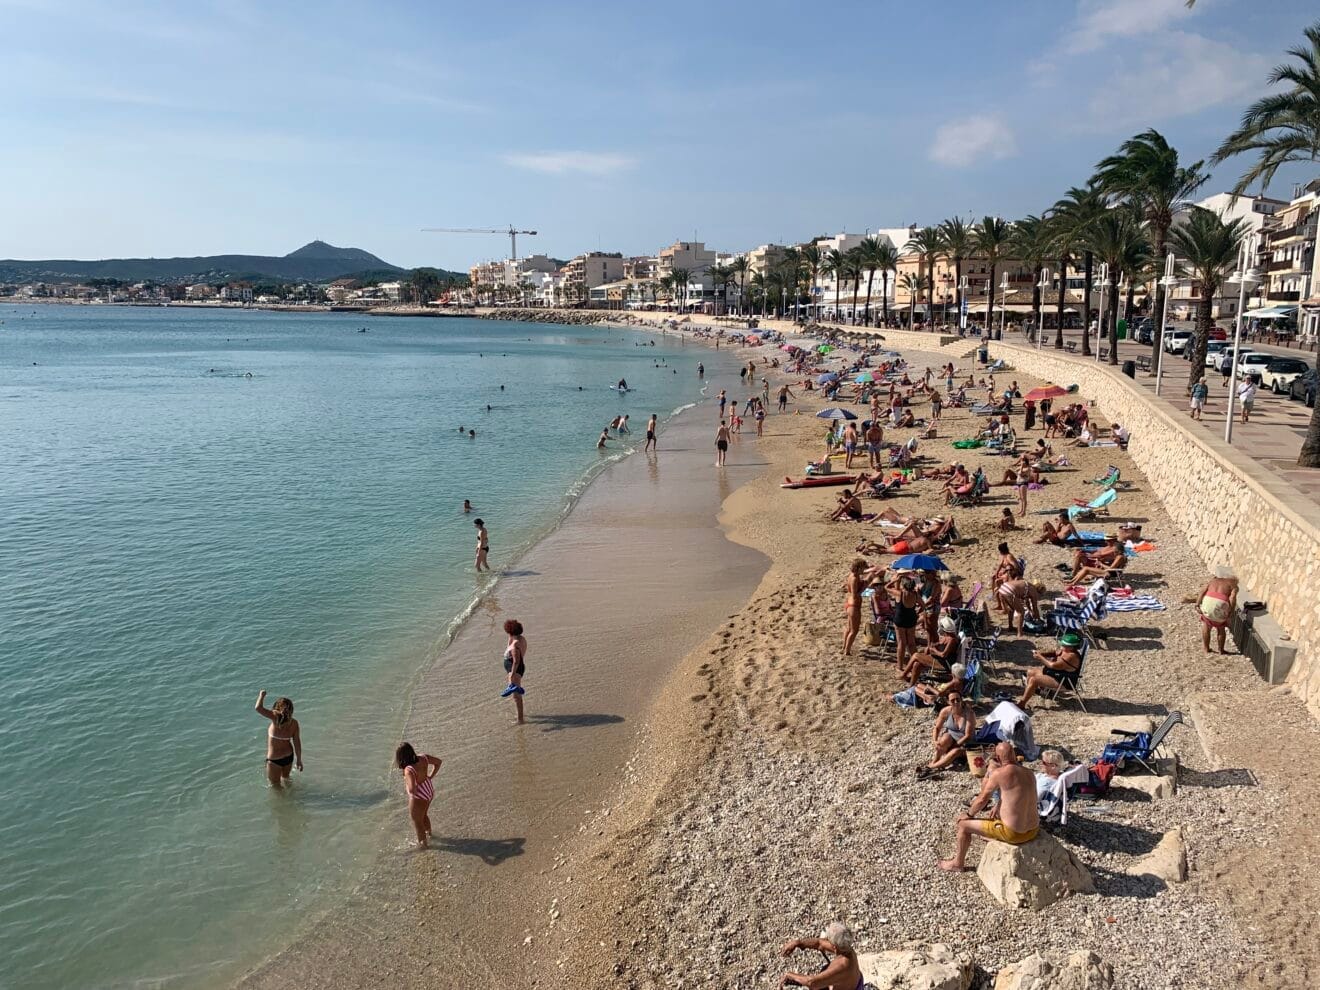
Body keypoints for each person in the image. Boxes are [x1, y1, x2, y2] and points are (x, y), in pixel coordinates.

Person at [937, 740, 1040, 871]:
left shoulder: (999, 773)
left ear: (997, 758)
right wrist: (999, 804)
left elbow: (982, 799)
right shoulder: (1029, 773)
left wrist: (968, 814)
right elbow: (1022, 797)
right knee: (994, 817)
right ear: (1014, 755)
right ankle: (994, 835)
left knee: (963, 825)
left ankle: (957, 863)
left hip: (1014, 834)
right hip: (1033, 830)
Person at [779, 923, 862, 990]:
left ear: (835, 947)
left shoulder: (842, 966)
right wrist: (798, 943)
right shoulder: (845, 948)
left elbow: (812, 983)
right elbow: (819, 943)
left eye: (828, 939)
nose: (826, 940)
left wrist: (789, 975)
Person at [918, 690, 976, 776]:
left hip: (965, 743)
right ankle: (936, 761)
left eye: (958, 699)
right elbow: (937, 728)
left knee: (955, 751)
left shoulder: (969, 713)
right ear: (948, 702)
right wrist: (935, 741)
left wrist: (954, 746)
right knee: (945, 739)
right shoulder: (946, 711)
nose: (956, 702)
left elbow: (968, 735)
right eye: (952, 700)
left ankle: (930, 767)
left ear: (961, 700)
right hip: (951, 740)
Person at [1017, 632, 1084, 707]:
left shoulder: (1071, 657)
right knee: (1030, 672)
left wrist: (1040, 657)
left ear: (1071, 647)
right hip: (1057, 675)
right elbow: (1055, 652)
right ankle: (1035, 692)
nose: (1061, 645)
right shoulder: (1066, 650)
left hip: (1064, 681)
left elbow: (1052, 665)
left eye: (1064, 645)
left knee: (1034, 680)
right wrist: (1042, 653)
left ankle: (1022, 703)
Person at [395, 742, 442, 848]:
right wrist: (430, 776)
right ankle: (430, 835)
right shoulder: (423, 757)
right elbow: (439, 762)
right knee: (424, 815)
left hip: (419, 796)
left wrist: (407, 788)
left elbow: (412, 790)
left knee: (417, 822)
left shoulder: (408, 769)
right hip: (428, 789)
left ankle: (424, 846)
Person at [255, 691, 302, 788]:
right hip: (289, 757)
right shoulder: (294, 723)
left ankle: (287, 803)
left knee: (276, 787)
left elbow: (258, 708)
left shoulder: (275, 716)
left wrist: (261, 695)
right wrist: (299, 760)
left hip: (274, 759)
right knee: (286, 779)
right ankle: (293, 798)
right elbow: (297, 742)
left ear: (278, 708)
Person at [1199, 569, 1240, 653]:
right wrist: (1230, 612)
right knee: (1221, 628)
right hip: (1221, 603)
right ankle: (1221, 650)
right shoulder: (1233, 585)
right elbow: (1232, 598)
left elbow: (1202, 592)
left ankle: (1206, 648)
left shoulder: (1213, 580)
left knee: (1206, 625)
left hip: (1208, 601)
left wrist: (1197, 604)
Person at [889, 575, 920, 671]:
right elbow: (923, 606)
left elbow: (887, 587)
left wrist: (895, 580)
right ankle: (915, 663)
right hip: (911, 620)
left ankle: (900, 666)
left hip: (900, 620)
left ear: (904, 586)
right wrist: (917, 613)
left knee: (901, 643)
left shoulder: (899, 594)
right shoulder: (915, 595)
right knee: (911, 643)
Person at [501, 618, 528, 722]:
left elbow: (516, 661)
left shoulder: (515, 646)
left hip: (515, 669)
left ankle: (520, 719)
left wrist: (512, 674)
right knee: (516, 694)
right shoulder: (520, 639)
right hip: (516, 667)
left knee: (516, 696)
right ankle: (520, 716)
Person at [842, 558, 870, 656]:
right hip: (854, 605)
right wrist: (864, 587)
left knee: (849, 628)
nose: (863, 570)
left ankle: (844, 647)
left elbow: (847, 587)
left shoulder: (852, 576)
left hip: (850, 604)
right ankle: (847, 651)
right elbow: (855, 595)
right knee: (854, 630)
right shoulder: (854, 578)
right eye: (862, 568)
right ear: (858, 568)